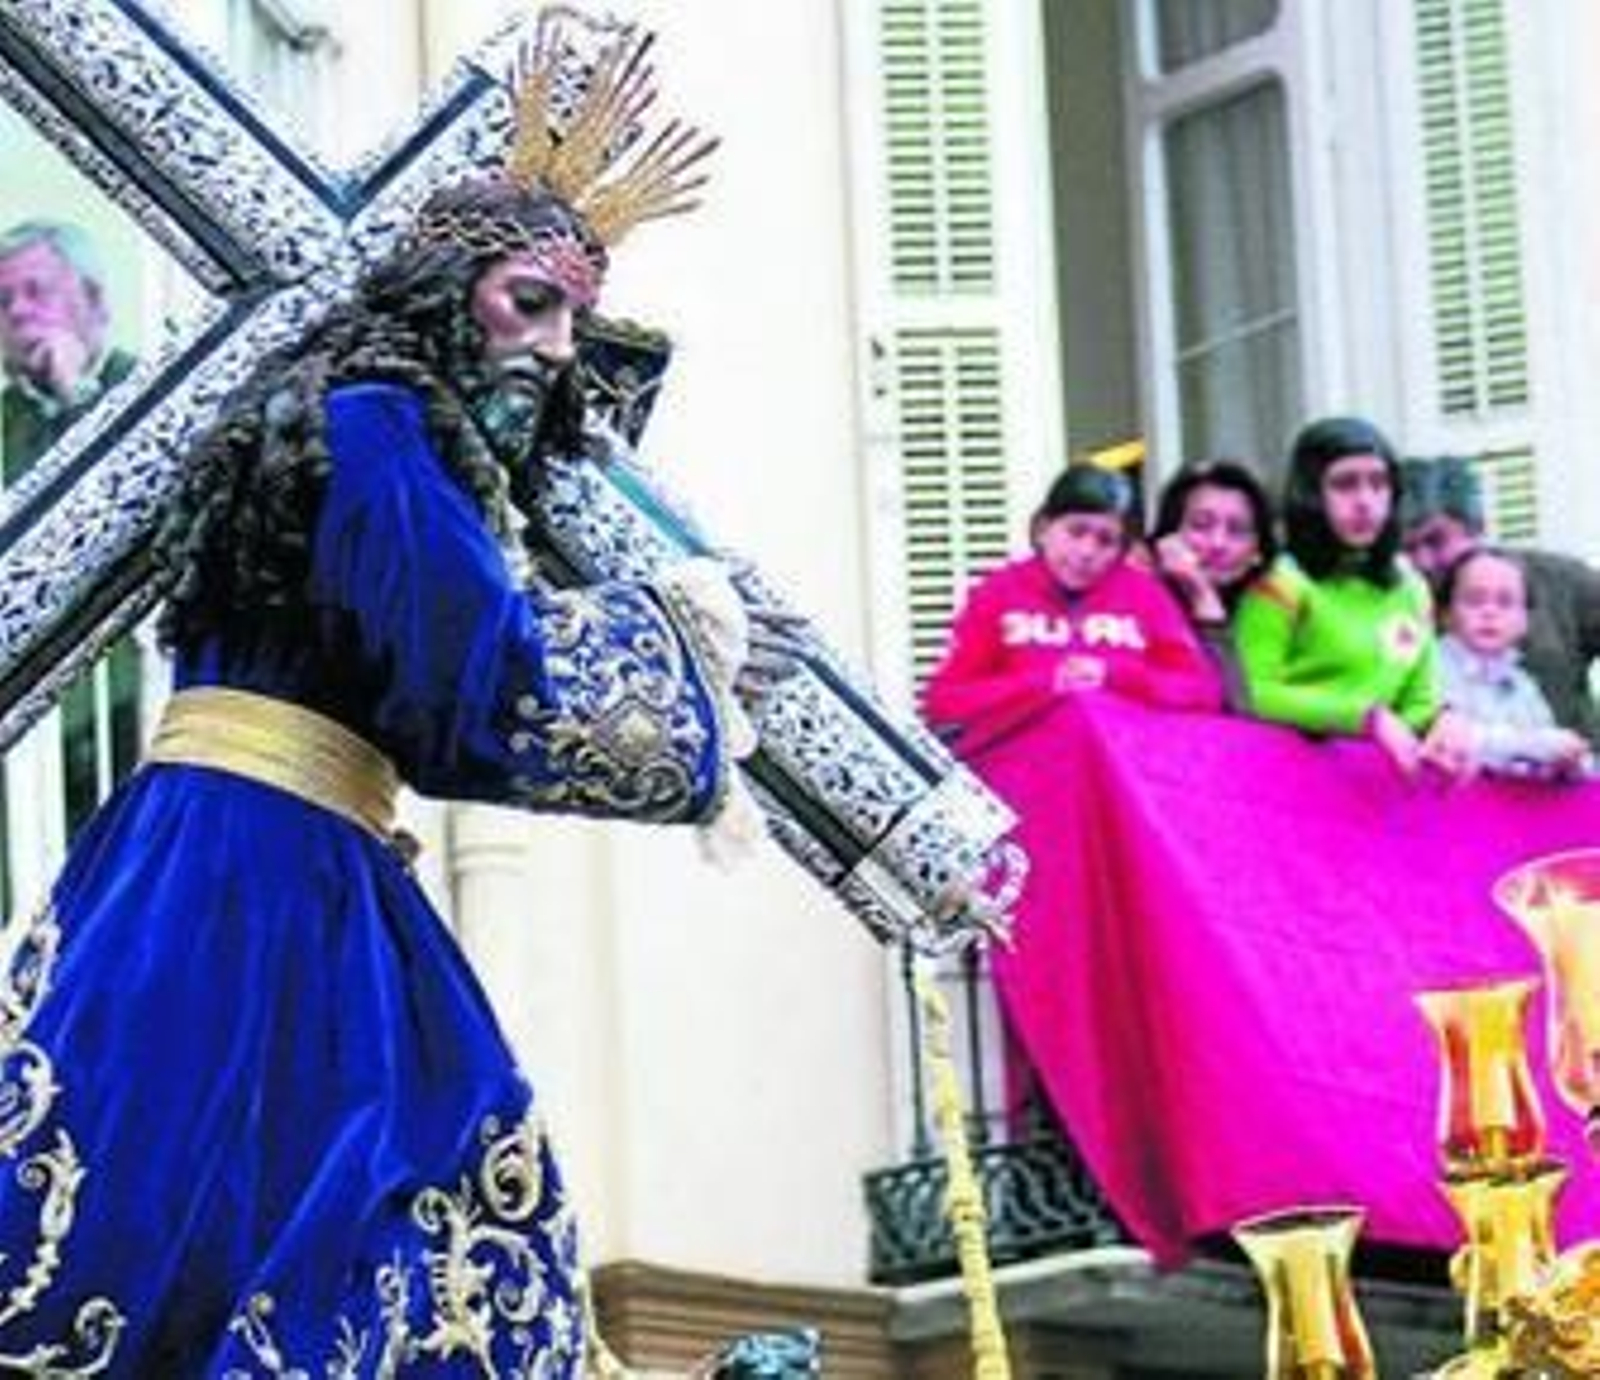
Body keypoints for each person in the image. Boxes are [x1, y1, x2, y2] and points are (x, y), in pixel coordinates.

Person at [0, 29, 766, 1376]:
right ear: (445, 294)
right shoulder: (384, 430)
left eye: (572, 320)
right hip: (273, 874)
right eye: (530, 303)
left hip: (189, 853)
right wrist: (687, 648)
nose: (555, 347)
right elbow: (470, 692)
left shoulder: (339, 422)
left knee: (179, 1205)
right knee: (384, 1189)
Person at [1235, 417, 1471, 778]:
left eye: (1379, 484)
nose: (1365, 501)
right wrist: (1365, 718)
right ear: (1310, 493)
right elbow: (1250, 692)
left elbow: (1417, 701)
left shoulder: (1411, 588)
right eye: (1345, 484)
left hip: (1374, 787)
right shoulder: (1279, 582)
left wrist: (1444, 721)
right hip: (1285, 781)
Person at [923, 464, 1223, 745]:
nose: (1087, 551)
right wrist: (1047, 683)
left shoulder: (1146, 597)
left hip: (1128, 765)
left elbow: (1203, 693)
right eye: (1076, 531)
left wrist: (1114, 676)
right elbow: (944, 702)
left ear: (1121, 549)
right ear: (1043, 529)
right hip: (1024, 765)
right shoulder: (998, 593)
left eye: (1106, 540)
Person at [1401, 454, 1600, 747]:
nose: (1422, 562)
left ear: (1476, 529)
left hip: (1575, 769)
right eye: (1406, 548)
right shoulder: (1395, 610)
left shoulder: (1560, 580)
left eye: (1435, 541)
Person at [0, 219, 137, 484]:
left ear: (94, 298)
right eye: (3, 300)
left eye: (38, 291)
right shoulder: (7, 412)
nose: (17, 311)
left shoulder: (146, 382)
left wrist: (74, 390)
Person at [1436, 546, 1591, 778]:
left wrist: (1569, 762)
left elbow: (1549, 744)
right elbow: (1454, 739)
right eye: (1474, 600)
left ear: (1523, 621)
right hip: (1456, 794)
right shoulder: (1435, 666)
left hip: (1514, 796)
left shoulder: (1524, 684)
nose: (1489, 612)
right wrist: (1536, 745)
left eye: (1505, 602)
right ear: (1445, 614)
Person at [1149, 458, 1277, 708]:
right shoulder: (1141, 604)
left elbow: (1242, 714)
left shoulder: (1272, 607)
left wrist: (1205, 599)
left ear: (1257, 550)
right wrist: (1201, 594)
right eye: (1201, 526)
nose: (1218, 543)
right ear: (1169, 535)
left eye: (1237, 530)